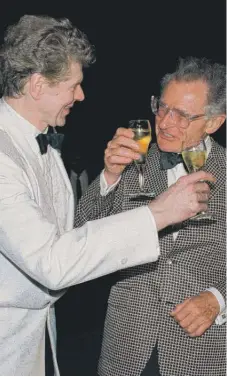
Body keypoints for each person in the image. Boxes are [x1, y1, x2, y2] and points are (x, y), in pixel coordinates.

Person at [0, 16, 212, 376]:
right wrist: (154, 212)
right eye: (74, 85)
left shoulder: (47, 147)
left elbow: (70, 237)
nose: (81, 96)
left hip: (40, 336)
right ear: (37, 85)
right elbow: (54, 261)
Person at [75, 57, 226, 376]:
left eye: (183, 115)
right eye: (162, 107)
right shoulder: (133, 159)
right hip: (125, 345)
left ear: (213, 123)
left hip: (199, 352)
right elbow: (79, 232)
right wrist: (110, 175)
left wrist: (217, 298)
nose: (166, 123)